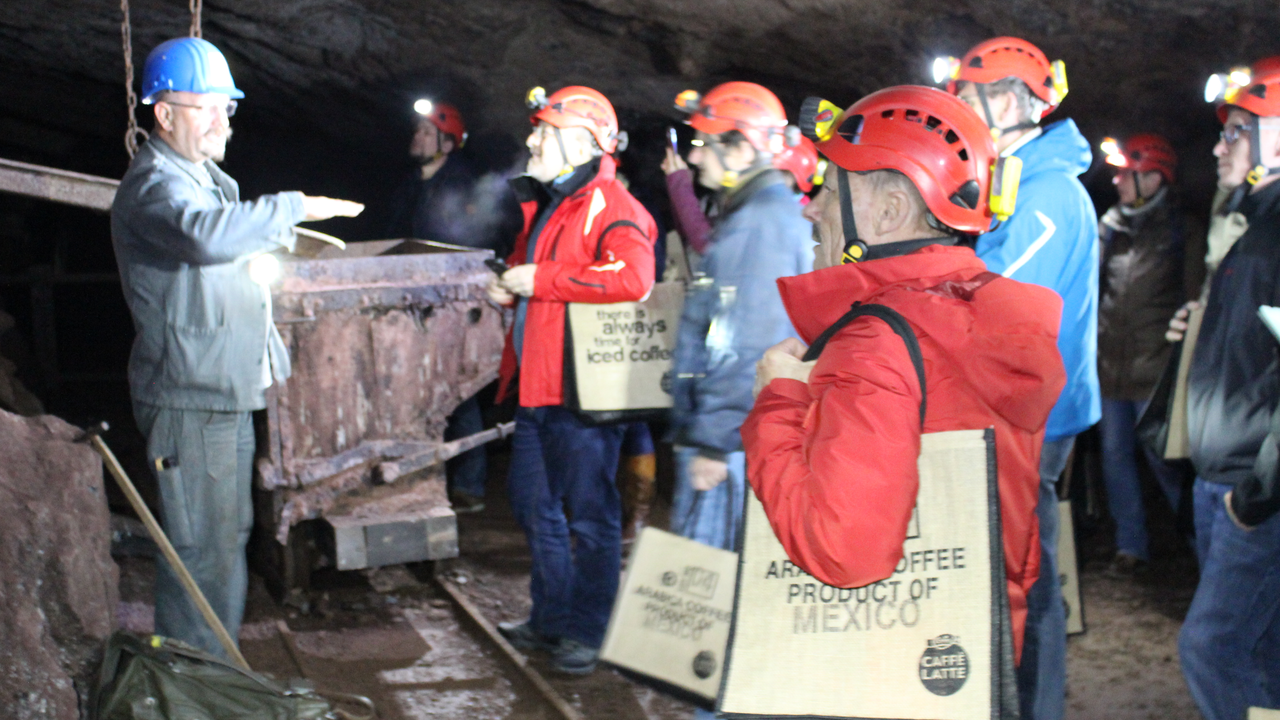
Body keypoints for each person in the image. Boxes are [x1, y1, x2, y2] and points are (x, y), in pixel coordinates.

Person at [743, 84, 1065, 661]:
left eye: (830, 187)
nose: (812, 206)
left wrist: (779, 400)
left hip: (885, 668)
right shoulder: (985, 318)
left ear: (888, 212)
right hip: (971, 655)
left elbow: (842, 550)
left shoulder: (878, 341)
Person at [110, 37, 362, 657]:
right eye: (209, 106)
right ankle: (196, 677)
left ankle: (211, 667)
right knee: (201, 546)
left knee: (224, 537)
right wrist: (294, 208)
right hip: (190, 397)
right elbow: (202, 238)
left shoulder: (201, 179)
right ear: (164, 115)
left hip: (219, 388)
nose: (225, 119)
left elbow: (221, 249)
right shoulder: (154, 186)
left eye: (229, 106)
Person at [939, 37, 1099, 720]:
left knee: (1025, 582)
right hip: (1021, 409)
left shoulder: (1046, 194)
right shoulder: (1016, 183)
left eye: (965, 99)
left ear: (1006, 100)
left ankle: (1031, 708)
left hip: (1036, 418)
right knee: (1022, 573)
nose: (955, 115)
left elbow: (992, 293)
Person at [487, 86, 657, 675]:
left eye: (543, 130)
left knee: (591, 516)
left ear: (582, 142)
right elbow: (547, 285)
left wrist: (543, 279)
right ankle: (551, 619)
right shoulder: (552, 203)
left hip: (581, 396)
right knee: (534, 506)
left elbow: (633, 277)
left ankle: (589, 631)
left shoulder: (611, 205)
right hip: (539, 391)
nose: (531, 139)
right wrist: (513, 287)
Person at [1171, 59, 1280, 720]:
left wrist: (1255, 496)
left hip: (1255, 487)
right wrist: (1203, 329)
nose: (1218, 145)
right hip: (1225, 478)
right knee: (1261, 655)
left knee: (1211, 648)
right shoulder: (1252, 225)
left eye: (1237, 130)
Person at [667, 81, 812, 557]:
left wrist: (713, 441)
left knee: (704, 584)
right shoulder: (758, 215)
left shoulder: (759, 226)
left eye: (703, 146)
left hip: (728, 445)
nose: (693, 159)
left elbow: (748, 341)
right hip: (733, 434)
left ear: (740, 148)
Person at [387, 98, 520, 514]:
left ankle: (469, 487)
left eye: (426, 132)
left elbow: (487, 239)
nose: (417, 137)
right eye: (418, 130)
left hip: (458, 306)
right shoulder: (413, 186)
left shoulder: (462, 185)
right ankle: (433, 481)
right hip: (419, 305)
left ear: (447, 144)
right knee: (425, 394)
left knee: (457, 392)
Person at [1095, 134, 1200, 571]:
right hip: (1110, 370)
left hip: (1155, 372)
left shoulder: (1182, 229)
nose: (1118, 181)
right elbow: (1090, 285)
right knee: (1115, 459)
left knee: (1167, 463)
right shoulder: (1114, 227)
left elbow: (1195, 299)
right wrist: (1102, 234)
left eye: (1128, 174)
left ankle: (1201, 548)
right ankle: (1131, 545)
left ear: (1155, 177)